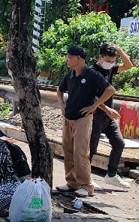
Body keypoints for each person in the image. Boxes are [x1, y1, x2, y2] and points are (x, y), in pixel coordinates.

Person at [56, 46, 115, 197]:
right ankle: (72, 182)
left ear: (79, 58)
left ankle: (86, 185)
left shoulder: (91, 74)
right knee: (68, 150)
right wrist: (62, 104)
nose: (67, 60)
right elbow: (59, 89)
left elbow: (110, 90)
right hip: (68, 117)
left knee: (80, 152)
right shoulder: (70, 75)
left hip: (83, 119)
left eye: (70, 57)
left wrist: (95, 105)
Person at [91, 43, 132, 189]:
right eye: (108, 61)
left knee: (119, 143)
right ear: (100, 57)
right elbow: (91, 96)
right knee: (91, 149)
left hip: (108, 116)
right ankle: (86, 178)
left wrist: (119, 49)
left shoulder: (111, 70)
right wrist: (107, 109)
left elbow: (128, 66)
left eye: (112, 61)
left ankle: (111, 175)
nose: (110, 64)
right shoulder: (91, 72)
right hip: (96, 115)